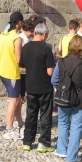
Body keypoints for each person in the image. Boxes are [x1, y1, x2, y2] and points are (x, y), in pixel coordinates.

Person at [51, 36, 82, 162]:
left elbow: (54, 80)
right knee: (76, 127)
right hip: (80, 99)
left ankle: (61, 149)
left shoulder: (61, 62)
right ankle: (72, 156)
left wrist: (61, 89)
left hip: (64, 97)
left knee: (63, 123)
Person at [19, 23, 55, 152]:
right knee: (45, 115)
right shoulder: (46, 50)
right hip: (45, 87)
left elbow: (22, 67)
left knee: (31, 114)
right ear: (44, 34)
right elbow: (50, 72)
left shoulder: (26, 48)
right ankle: (44, 143)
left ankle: (27, 141)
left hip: (31, 86)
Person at [0, 11, 25, 140]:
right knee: (13, 101)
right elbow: (19, 59)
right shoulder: (17, 38)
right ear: (19, 23)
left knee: (18, 98)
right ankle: (8, 129)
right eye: (22, 22)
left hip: (2, 70)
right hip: (11, 72)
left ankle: (20, 122)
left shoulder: (2, 35)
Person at [19, 19, 35, 101]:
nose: (33, 34)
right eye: (31, 31)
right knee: (21, 96)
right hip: (22, 71)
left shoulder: (31, 38)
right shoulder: (20, 40)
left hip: (29, 70)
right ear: (25, 30)